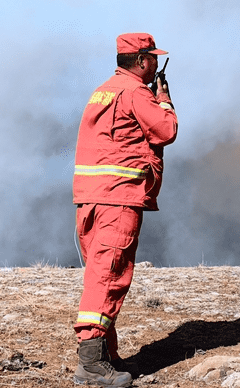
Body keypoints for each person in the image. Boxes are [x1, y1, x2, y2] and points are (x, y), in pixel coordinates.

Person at [71, 33, 177, 386]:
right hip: (119, 197)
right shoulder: (136, 92)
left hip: (90, 197)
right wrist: (164, 99)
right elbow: (166, 131)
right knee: (109, 275)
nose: (154, 66)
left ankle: (106, 356)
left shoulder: (103, 90)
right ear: (143, 61)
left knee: (100, 273)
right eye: (152, 60)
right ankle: (91, 366)